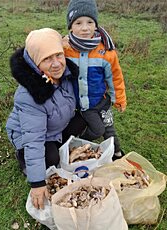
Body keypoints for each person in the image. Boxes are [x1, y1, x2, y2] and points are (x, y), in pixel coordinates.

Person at [6, 28, 86, 209]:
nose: (56, 63)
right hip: (29, 134)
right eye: (47, 59)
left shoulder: (65, 75)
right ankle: (23, 157)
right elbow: (33, 138)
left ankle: (58, 145)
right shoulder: (30, 95)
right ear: (35, 62)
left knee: (83, 120)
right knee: (50, 157)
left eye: (58, 55)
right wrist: (37, 183)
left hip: (53, 127)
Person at [63, 0, 127, 160]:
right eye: (78, 23)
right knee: (98, 130)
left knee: (109, 127)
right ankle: (79, 144)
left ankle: (117, 153)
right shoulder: (65, 49)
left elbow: (115, 77)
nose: (85, 28)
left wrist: (118, 98)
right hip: (86, 105)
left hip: (102, 100)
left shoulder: (105, 52)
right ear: (70, 26)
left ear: (96, 24)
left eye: (90, 22)